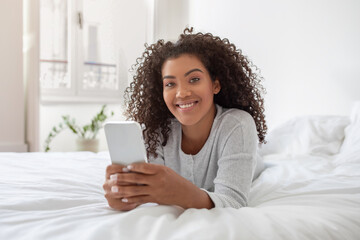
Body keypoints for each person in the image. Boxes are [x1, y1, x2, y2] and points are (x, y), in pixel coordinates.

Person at [103, 28, 267, 211]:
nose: (182, 93)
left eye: (194, 79)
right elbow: (149, 193)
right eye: (170, 84)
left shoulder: (237, 125)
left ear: (215, 84)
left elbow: (233, 203)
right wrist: (125, 195)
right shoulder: (156, 131)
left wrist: (183, 193)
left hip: (252, 160)